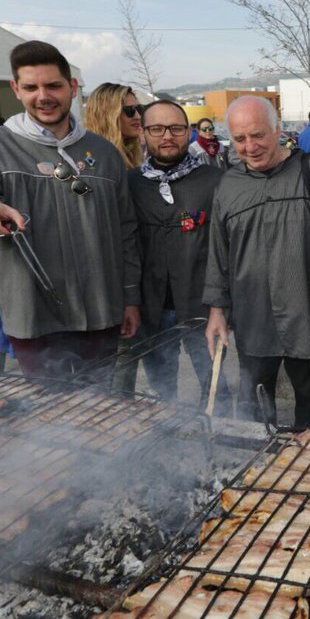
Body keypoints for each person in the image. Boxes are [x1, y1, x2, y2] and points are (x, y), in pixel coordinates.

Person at [0, 40, 141, 382]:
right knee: (48, 409)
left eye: (53, 86)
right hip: (34, 316)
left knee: (102, 404)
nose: (43, 96)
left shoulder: (104, 153)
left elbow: (126, 231)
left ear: (72, 87)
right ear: (16, 90)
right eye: (31, 88)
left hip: (101, 310)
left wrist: (130, 298)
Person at [204, 96, 310, 427]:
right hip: (252, 317)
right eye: (240, 139)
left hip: (307, 313)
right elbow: (218, 254)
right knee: (254, 409)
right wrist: (217, 311)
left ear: (278, 129)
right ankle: (256, 457)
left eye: (258, 135)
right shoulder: (228, 186)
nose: (250, 147)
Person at [128, 101, 229, 407]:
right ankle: (167, 426)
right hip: (151, 306)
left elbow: (225, 248)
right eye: (157, 129)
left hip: (201, 305)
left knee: (215, 387)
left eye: (175, 128)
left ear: (188, 132)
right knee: (161, 390)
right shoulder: (130, 183)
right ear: (143, 133)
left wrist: (220, 304)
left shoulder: (215, 181)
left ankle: (219, 429)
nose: (167, 136)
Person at [84, 83, 144, 169]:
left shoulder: (136, 153)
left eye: (139, 109)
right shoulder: (93, 159)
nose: (138, 116)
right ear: (107, 116)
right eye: (129, 110)